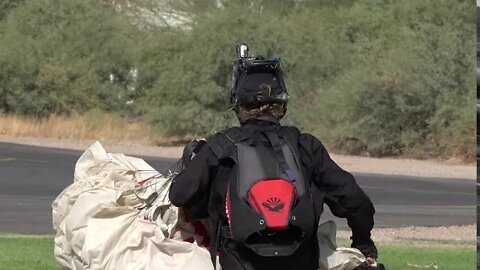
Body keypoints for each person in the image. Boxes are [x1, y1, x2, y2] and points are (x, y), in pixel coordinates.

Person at [169, 44, 378, 270]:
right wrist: (363, 243)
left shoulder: (219, 146)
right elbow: (357, 202)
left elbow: (180, 194)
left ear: (238, 104)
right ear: (281, 103)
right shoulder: (305, 145)